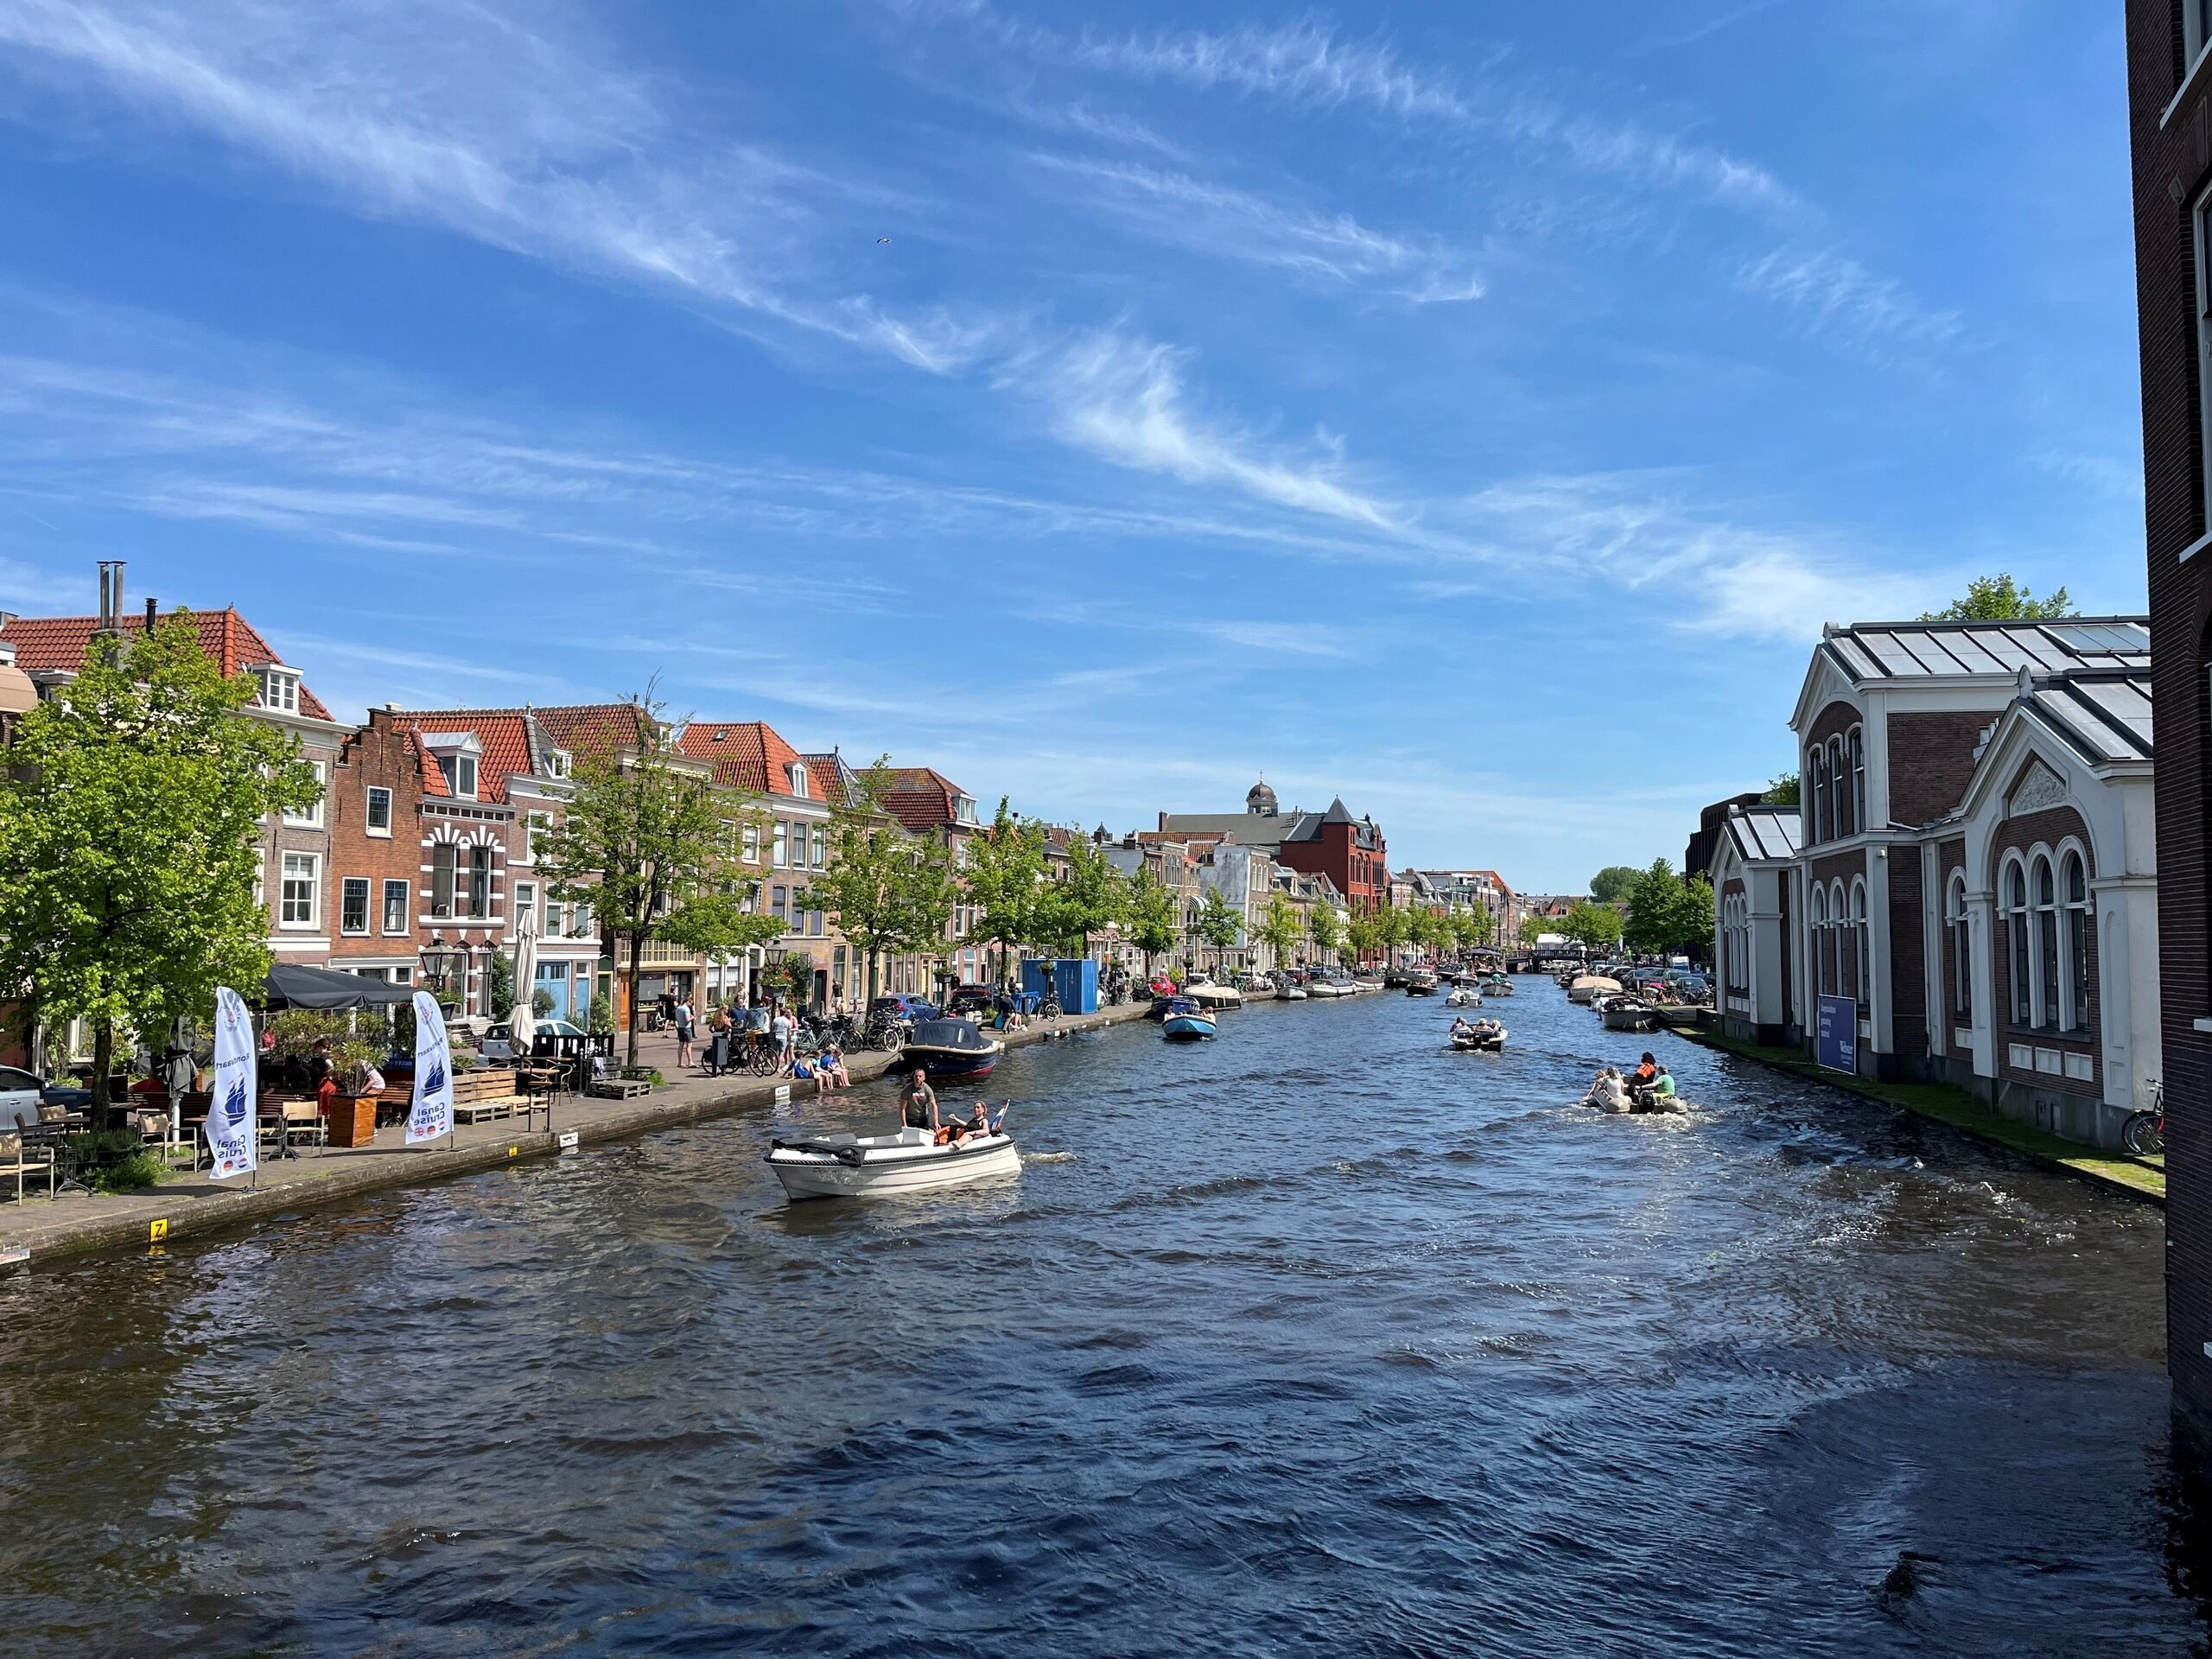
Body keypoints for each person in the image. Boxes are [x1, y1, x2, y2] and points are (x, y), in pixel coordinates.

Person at [899, 1068, 938, 1133]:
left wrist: (936, 1121)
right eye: (916, 1076)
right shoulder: (907, 1090)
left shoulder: (927, 1089)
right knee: (910, 1136)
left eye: (920, 1076)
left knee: (925, 1134)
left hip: (922, 1118)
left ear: (924, 1078)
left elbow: (934, 1105)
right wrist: (904, 1124)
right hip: (910, 1118)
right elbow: (902, 1108)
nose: (918, 1078)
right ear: (913, 1077)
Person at [673, 997, 696, 1071]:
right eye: (691, 1003)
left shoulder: (678, 1008)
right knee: (689, 1045)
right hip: (686, 1028)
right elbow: (687, 1019)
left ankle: (680, 1062)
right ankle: (690, 1062)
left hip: (680, 1028)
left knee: (681, 1045)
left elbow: (676, 1018)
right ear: (688, 1001)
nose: (691, 1005)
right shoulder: (686, 1009)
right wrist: (692, 1017)